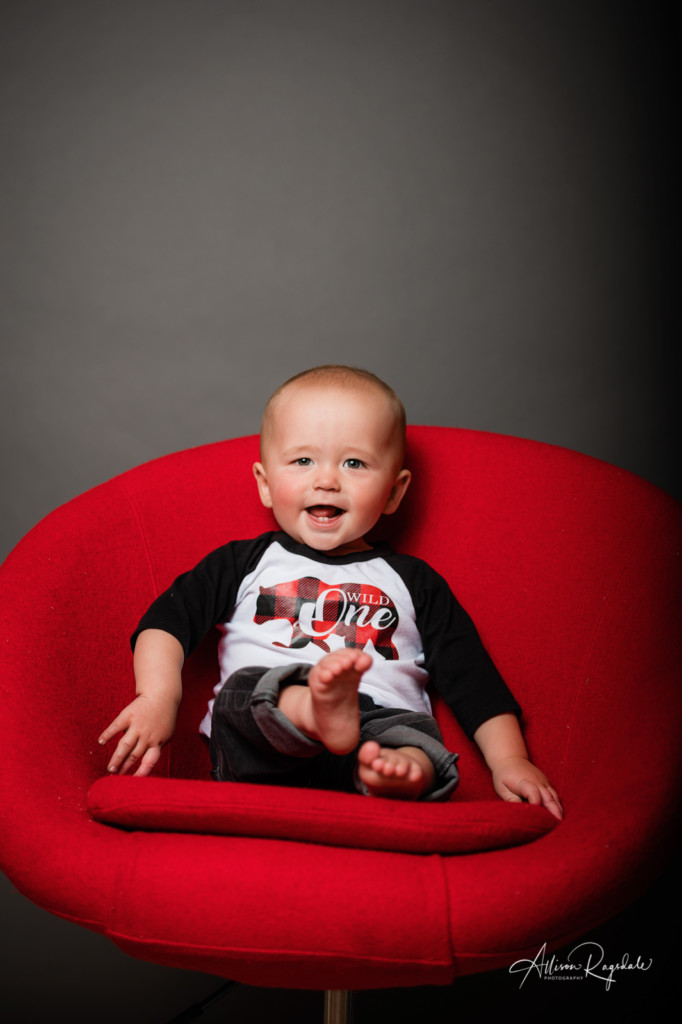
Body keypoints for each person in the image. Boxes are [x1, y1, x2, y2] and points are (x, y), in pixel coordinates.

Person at [99, 365, 562, 817]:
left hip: (373, 726)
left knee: (413, 740)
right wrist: (159, 698)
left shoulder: (414, 582)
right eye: (303, 460)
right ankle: (311, 710)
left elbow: (472, 678)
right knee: (246, 691)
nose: (326, 480)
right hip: (261, 747)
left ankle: (397, 776)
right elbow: (165, 624)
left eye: (354, 463)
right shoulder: (244, 563)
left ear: (395, 492)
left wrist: (510, 760)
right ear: (264, 484)